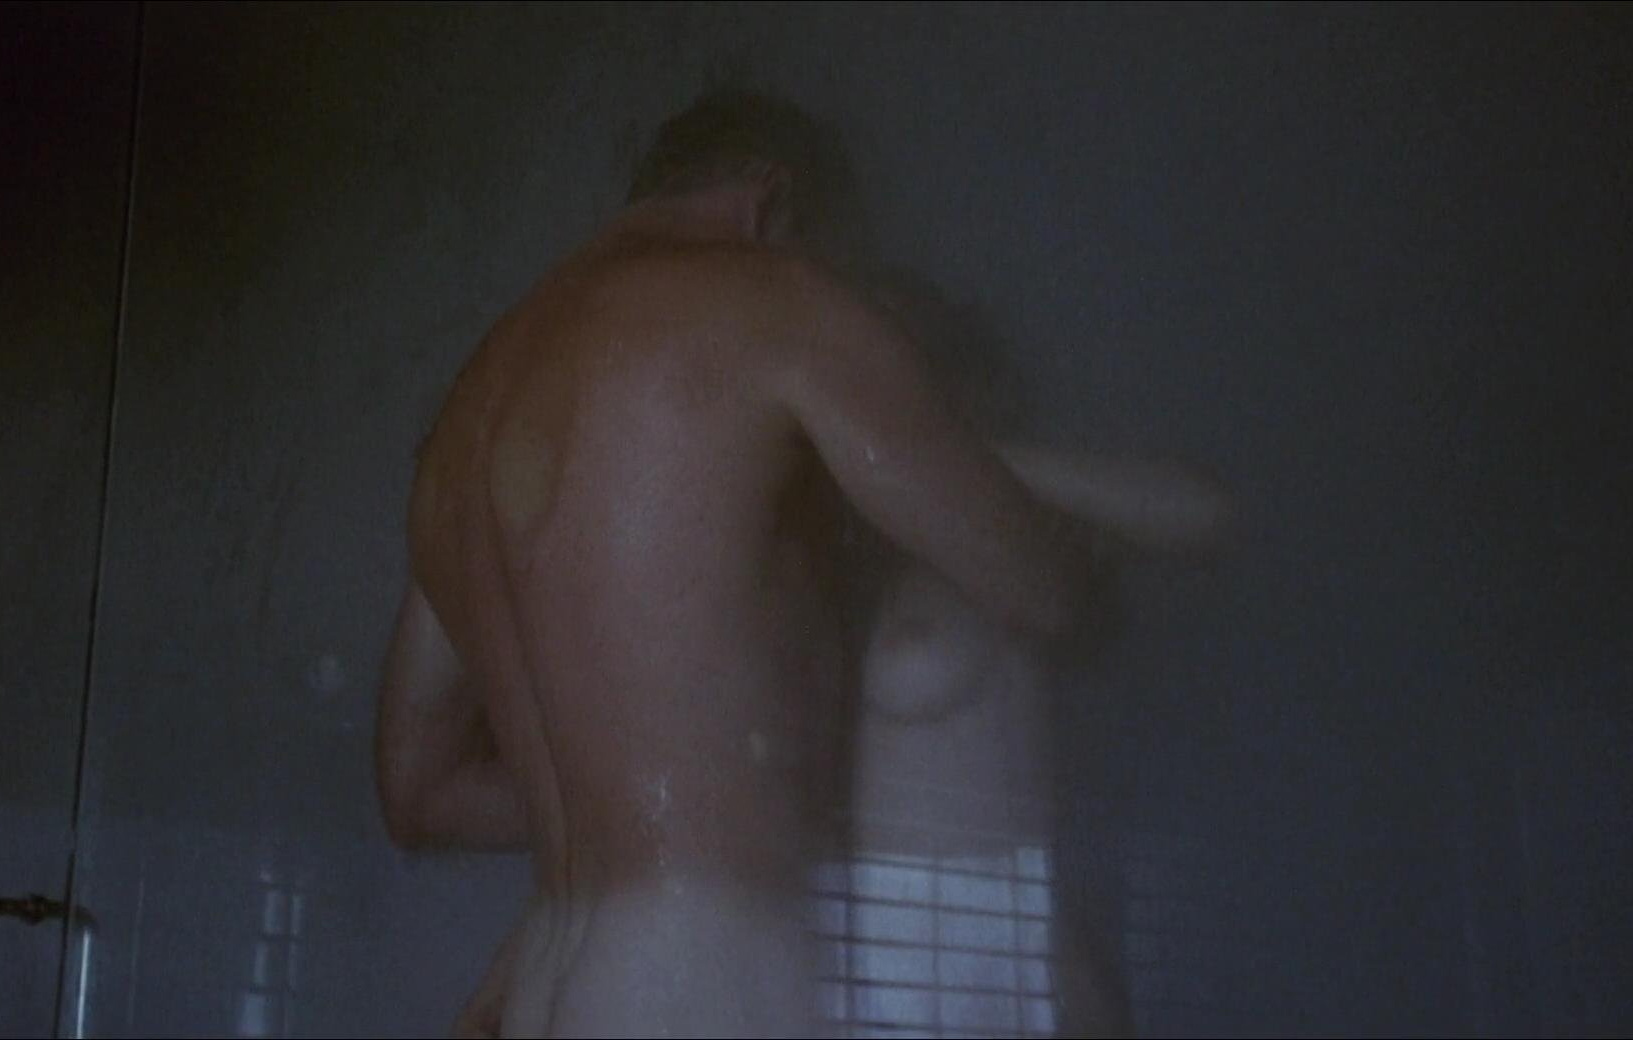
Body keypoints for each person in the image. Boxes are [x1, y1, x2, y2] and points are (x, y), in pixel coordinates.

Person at [372, 89, 1088, 1037]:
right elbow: (1038, 581)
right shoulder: (771, 304)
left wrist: (647, 781)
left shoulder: (469, 416)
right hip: (700, 978)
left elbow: (419, 789)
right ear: (773, 197)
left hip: (545, 985)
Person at [828, 276, 1234, 1037]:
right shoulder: (835, 549)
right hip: (872, 961)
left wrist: (969, 461)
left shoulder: (1020, 544)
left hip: (1011, 951)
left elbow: (1209, 513)